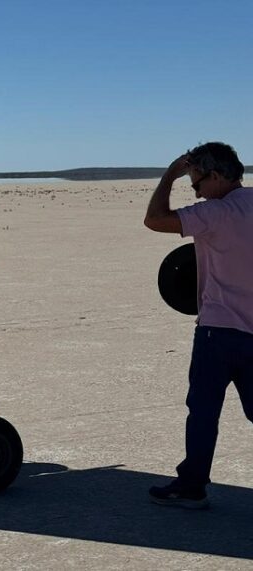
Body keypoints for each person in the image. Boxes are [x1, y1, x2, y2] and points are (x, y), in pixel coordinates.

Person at [144, 141, 253, 509]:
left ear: (217, 176)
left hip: (218, 332)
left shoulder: (215, 214)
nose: (197, 193)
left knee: (203, 411)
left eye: (197, 183)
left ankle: (192, 487)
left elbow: (155, 218)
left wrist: (170, 175)